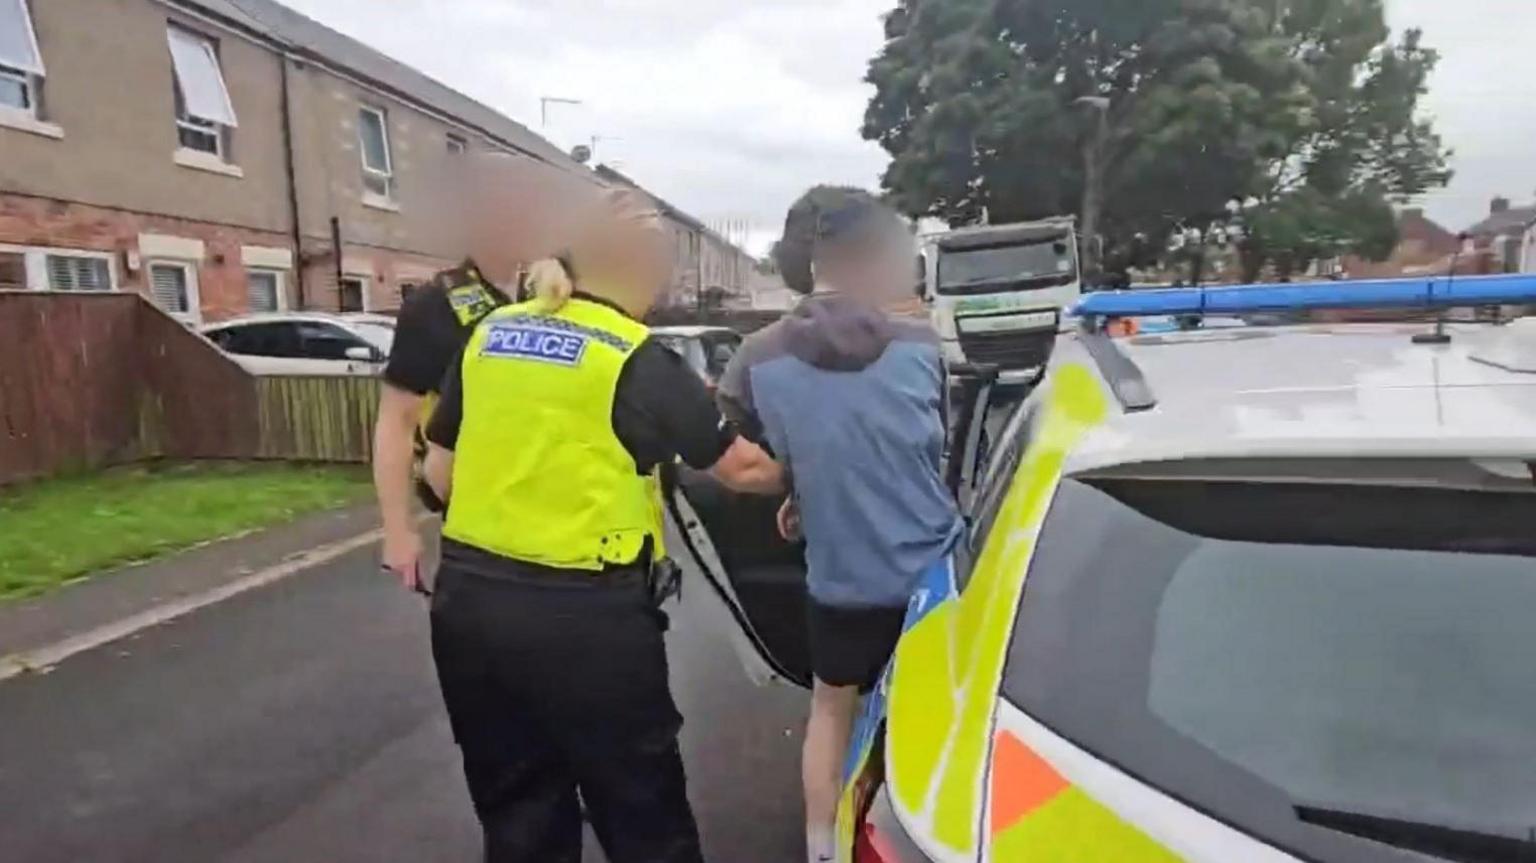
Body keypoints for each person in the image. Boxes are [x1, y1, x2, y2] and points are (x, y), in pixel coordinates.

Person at [420, 188, 785, 863]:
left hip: (471, 610)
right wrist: (801, 473)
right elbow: (740, 469)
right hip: (588, 622)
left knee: (519, 810)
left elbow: (438, 474)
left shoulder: (489, 335)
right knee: (641, 810)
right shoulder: (635, 356)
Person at [717, 186, 963, 863]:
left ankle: (822, 848)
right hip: (932, 577)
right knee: (934, 714)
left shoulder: (755, 357)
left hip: (840, 581)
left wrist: (802, 485)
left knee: (832, 709)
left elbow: (735, 455)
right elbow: (927, 448)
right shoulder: (920, 342)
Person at [374, 151, 576, 590]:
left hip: (566, 520)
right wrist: (398, 531)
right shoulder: (433, 307)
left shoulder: (560, 295)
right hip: (480, 527)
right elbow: (396, 421)